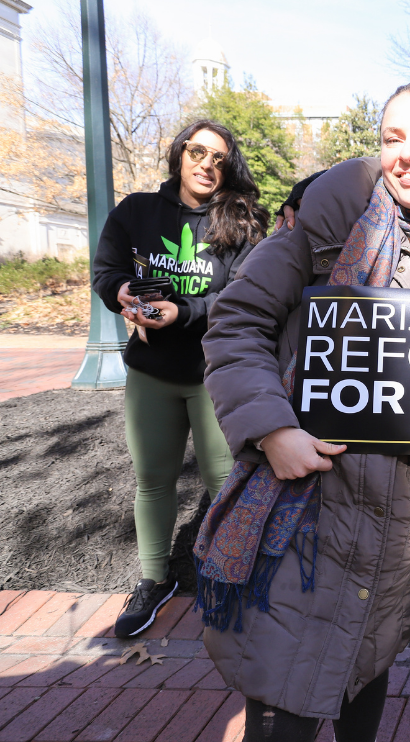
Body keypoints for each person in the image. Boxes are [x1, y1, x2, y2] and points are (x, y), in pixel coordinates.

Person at [195, 77, 410, 742]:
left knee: (362, 700)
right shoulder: (324, 228)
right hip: (301, 529)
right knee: (281, 715)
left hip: (396, 549)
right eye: (392, 137)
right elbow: (235, 323)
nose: (408, 153)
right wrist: (272, 430)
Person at [92, 120, 266, 638]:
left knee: (223, 481)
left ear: (228, 166)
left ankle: (228, 577)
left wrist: (183, 312)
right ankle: (153, 579)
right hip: (152, 372)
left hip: (214, 373)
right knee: (153, 479)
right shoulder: (137, 212)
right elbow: (105, 271)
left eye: (218, 157)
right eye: (197, 151)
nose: (206, 164)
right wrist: (123, 292)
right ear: (179, 153)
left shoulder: (243, 220)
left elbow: (245, 296)